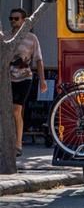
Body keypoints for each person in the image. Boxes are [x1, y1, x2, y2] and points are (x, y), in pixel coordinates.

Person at [8, 8, 46, 157]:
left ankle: (18, 144)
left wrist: (42, 81)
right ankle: (8, 142)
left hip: (24, 78)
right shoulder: (6, 37)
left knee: (16, 110)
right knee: (7, 111)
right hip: (7, 78)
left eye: (16, 18)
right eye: (11, 18)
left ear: (24, 20)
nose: (13, 21)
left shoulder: (32, 38)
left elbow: (39, 60)